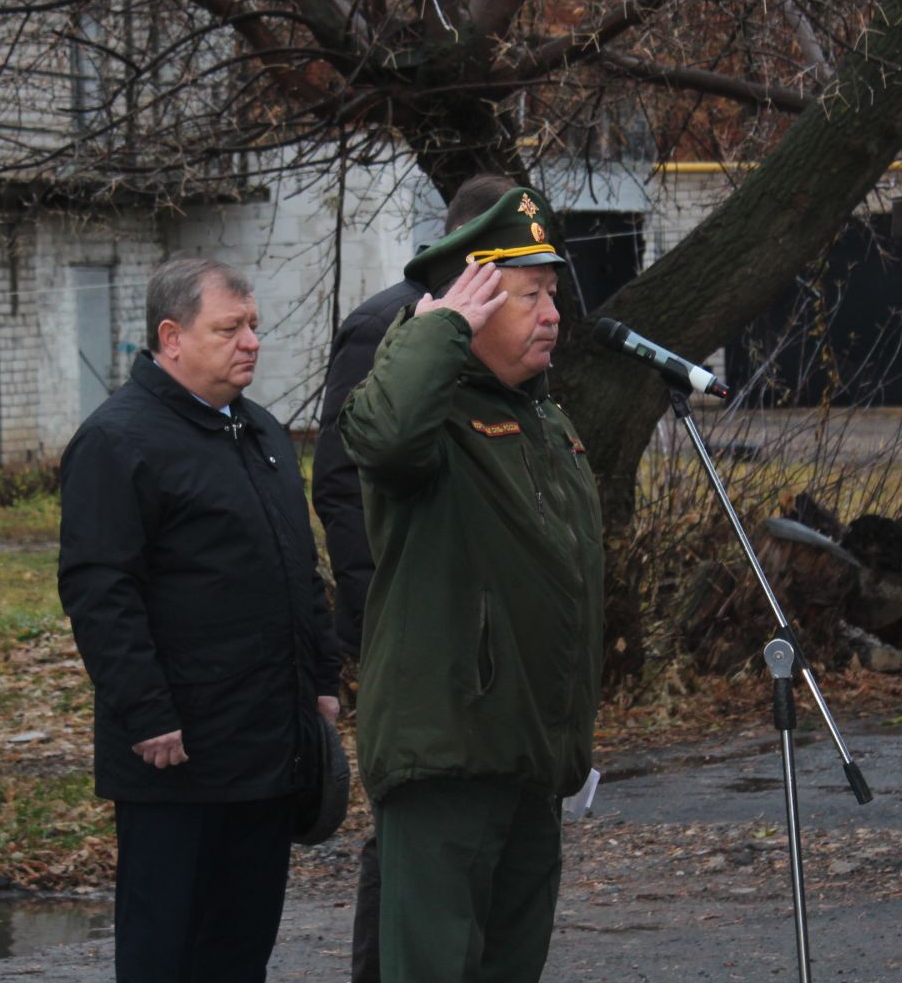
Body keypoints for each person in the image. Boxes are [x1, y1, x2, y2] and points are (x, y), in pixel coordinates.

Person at [339, 185, 604, 983]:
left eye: (552, 295)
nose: (552, 315)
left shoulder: (544, 420)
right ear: (474, 303)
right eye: (529, 297)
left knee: (509, 965)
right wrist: (437, 329)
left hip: (531, 754)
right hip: (448, 753)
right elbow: (381, 439)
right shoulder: (430, 414)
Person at [58, 257, 343, 983]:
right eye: (230, 328)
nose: (251, 341)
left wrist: (320, 678)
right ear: (171, 337)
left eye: (254, 326)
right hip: (174, 758)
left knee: (239, 949)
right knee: (166, 952)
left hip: (265, 748)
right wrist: (147, 713)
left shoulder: (262, 433)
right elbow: (100, 591)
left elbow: (297, 570)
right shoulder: (119, 441)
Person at [310, 172, 517, 983]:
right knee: (404, 840)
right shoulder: (386, 328)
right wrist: (379, 607)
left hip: (481, 633)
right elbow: (345, 481)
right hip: (410, 624)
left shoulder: (500, 337)